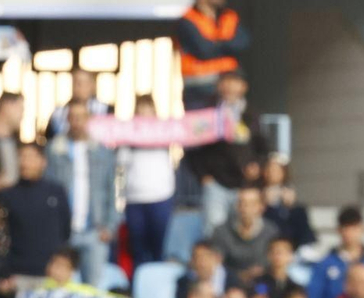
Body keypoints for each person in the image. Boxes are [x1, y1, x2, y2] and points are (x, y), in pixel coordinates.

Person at [183, 68, 267, 233]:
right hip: (216, 183)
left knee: (243, 229)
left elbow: (263, 147)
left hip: (244, 185)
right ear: (219, 85)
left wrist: (257, 165)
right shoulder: (208, 112)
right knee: (214, 230)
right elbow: (193, 147)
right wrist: (202, 175)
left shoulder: (251, 114)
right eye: (225, 81)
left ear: (243, 87)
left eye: (234, 82)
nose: (229, 86)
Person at [46, 102, 119, 288]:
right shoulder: (55, 150)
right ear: (67, 120)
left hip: (94, 231)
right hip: (64, 231)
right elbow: (48, 189)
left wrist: (110, 226)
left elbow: (114, 190)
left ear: (89, 119)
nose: (77, 122)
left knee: (92, 288)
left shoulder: (103, 152)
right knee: (59, 285)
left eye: (82, 117)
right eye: (73, 117)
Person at [0, 141, 72, 282]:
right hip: (17, 273)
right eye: (22, 157)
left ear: (43, 161)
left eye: (30, 157)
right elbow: (0, 234)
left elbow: (65, 230)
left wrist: (61, 265)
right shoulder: (8, 195)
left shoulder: (56, 192)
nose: (25, 162)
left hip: (51, 274)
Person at [121, 94, 177, 267]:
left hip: (160, 196)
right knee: (138, 250)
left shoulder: (164, 133)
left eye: (148, 113)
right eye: (141, 113)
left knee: (160, 248)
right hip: (135, 198)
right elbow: (121, 162)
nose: (145, 117)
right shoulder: (127, 137)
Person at [174, 0, 247, 109]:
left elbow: (242, 43)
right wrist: (226, 44)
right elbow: (204, 50)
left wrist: (216, 43)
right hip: (199, 87)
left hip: (228, 83)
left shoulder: (228, 16)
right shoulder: (187, 18)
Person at [210, 185, 278, 285]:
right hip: (230, 284)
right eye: (241, 203)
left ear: (261, 207)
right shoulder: (221, 231)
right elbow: (216, 262)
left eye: (251, 204)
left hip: (263, 283)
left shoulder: (271, 232)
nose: (245, 208)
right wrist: (239, 275)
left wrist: (262, 271)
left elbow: (274, 260)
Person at [259, 156, 314, 249]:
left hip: (288, 227)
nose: (272, 173)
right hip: (268, 228)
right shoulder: (259, 191)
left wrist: (291, 205)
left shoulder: (288, 190)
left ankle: (304, 246)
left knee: (299, 211)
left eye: (276, 170)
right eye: (270, 170)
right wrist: (265, 202)